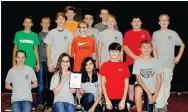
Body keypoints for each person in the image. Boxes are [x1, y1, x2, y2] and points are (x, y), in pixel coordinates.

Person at [152, 14, 185, 111]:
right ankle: (158, 104)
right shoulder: (156, 34)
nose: (163, 21)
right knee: (159, 83)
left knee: (166, 83)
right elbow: (154, 48)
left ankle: (164, 103)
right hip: (158, 62)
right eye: (161, 20)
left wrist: (178, 56)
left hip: (169, 63)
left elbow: (182, 45)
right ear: (159, 22)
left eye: (166, 20)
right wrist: (156, 61)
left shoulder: (173, 33)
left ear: (168, 22)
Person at [44, 12, 73, 111]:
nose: (61, 21)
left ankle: (64, 103)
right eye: (59, 19)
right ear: (56, 21)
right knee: (52, 86)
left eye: (63, 19)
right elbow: (47, 49)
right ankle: (51, 105)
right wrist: (49, 63)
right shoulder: (51, 32)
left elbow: (69, 50)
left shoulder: (69, 33)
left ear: (65, 20)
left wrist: (66, 64)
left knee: (65, 84)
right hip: (53, 64)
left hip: (64, 64)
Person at [123, 16, 152, 109]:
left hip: (144, 62)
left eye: (138, 21)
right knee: (131, 82)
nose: (136, 23)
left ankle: (145, 100)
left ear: (141, 23)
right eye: (134, 21)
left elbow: (149, 46)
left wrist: (141, 57)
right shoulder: (128, 33)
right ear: (131, 23)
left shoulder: (145, 33)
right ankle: (131, 101)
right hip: (131, 61)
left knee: (144, 81)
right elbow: (125, 47)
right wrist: (134, 57)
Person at [99, 42, 130, 112]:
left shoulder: (124, 65)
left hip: (122, 98)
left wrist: (123, 100)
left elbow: (126, 84)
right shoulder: (105, 65)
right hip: (109, 99)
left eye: (116, 51)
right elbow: (103, 84)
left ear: (119, 52)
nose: (114, 53)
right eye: (112, 51)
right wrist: (107, 100)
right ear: (109, 52)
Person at [133, 40, 162, 112]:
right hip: (141, 86)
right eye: (144, 47)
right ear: (140, 49)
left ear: (152, 49)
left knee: (148, 110)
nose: (146, 49)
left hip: (152, 89)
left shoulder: (156, 62)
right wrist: (148, 93)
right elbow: (138, 79)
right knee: (138, 89)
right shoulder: (137, 62)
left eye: (149, 47)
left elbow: (159, 80)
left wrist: (154, 96)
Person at [37, 17, 50, 110]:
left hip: (50, 61)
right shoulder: (38, 35)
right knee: (41, 83)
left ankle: (48, 101)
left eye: (47, 22)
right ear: (41, 24)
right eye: (44, 22)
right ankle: (40, 102)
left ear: (49, 23)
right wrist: (37, 62)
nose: (45, 24)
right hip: (41, 61)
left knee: (48, 84)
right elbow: (35, 49)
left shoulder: (52, 33)